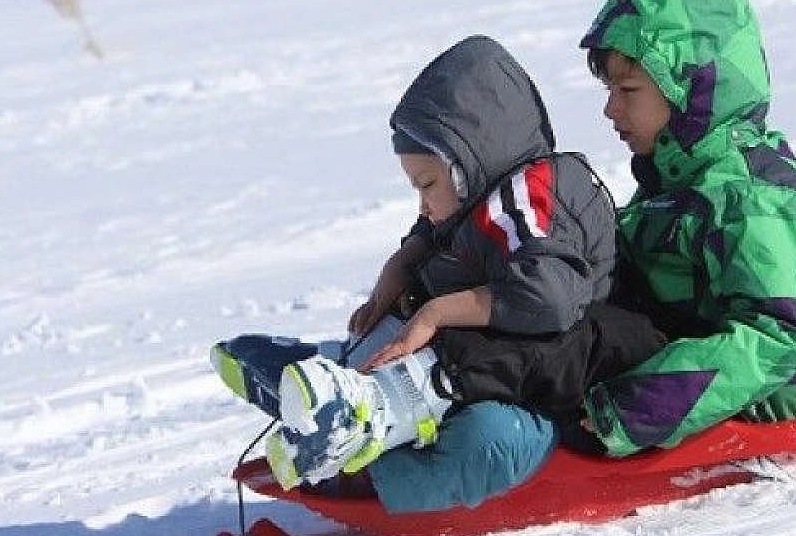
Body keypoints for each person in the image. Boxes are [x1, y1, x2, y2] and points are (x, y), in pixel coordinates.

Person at [212, 34, 663, 511]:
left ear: (471, 163)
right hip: (494, 377)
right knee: (413, 317)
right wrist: (406, 262)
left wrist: (436, 312)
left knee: (484, 439)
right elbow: (446, 230)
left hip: (563, 393)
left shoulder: (531, 195)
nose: (423, 204)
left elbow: (548, 299)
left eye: (427, 184)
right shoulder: (484, 199)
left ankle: (369, 433)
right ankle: (336, 376)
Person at [575, 0, 796, 454]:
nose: (610, 109)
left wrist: (634, 407)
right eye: (609, 89)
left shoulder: (754, 202)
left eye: (628, 90)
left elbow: (777, 339)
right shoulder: (683, 172)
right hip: (673, 348)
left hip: (738, 390)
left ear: (690, 87)